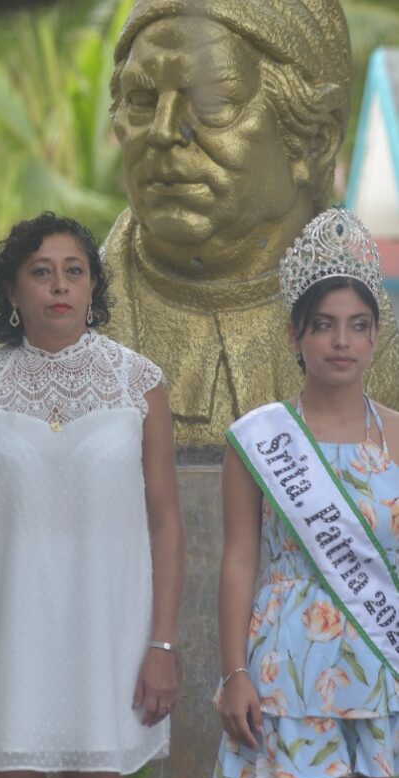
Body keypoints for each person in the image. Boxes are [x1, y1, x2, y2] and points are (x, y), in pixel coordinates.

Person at [0, 212, 185, 778]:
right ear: (13, 293)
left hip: (110, 633)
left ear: (93, 286)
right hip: (5, 633)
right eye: (41, 273)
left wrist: (163, 645)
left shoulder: (138, 385)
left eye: (75, 271)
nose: (60, 285)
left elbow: (167, 523)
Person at [104, 0, 399, 448]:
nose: (164, 131)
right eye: (142, 101)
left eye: (211, 102)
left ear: (313, 144)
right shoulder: (64, 338)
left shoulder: (387, 355)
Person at [214, 208, 399, 778]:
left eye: (357, 325)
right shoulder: (260, 438)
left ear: (376, 336)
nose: (341, 341)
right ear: (295, 333)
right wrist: (233, 674)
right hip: (286, 671)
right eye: (324, 325)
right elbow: (240, 560)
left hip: (385, 668)